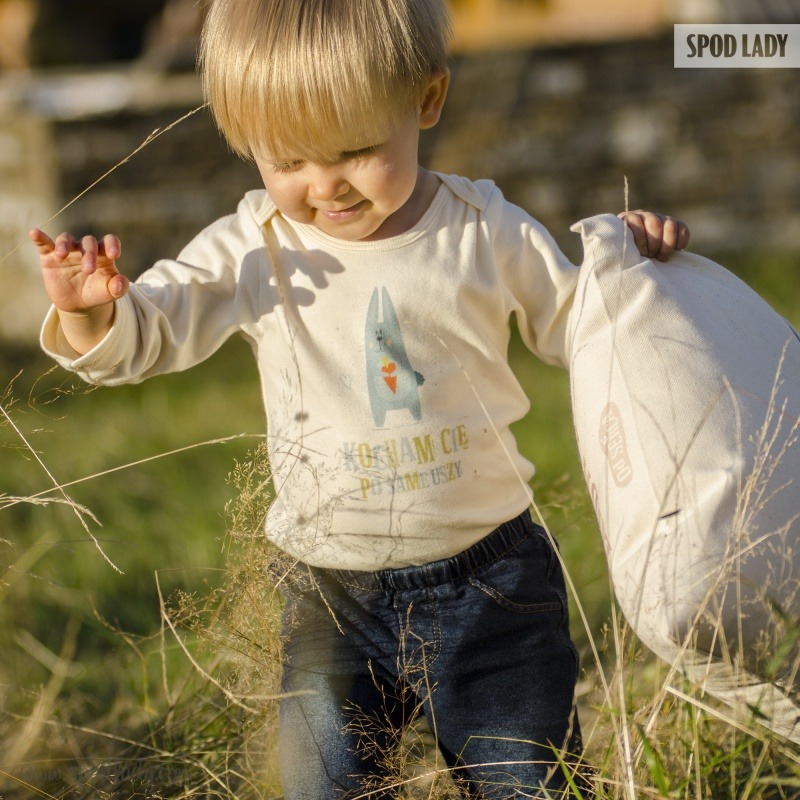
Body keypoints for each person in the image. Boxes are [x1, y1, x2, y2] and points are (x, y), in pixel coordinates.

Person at [30, 0, 689, 796]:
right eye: (288, 160)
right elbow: (153, 329)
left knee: (528, 781)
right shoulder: (254, 245)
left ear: (427, 100)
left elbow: (580, 327)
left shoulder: (481, 229)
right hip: (329, 595)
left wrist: (630, 265)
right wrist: (90, 311)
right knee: (326, 784)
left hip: (492, 585)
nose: (323, 184)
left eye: (355, 151)